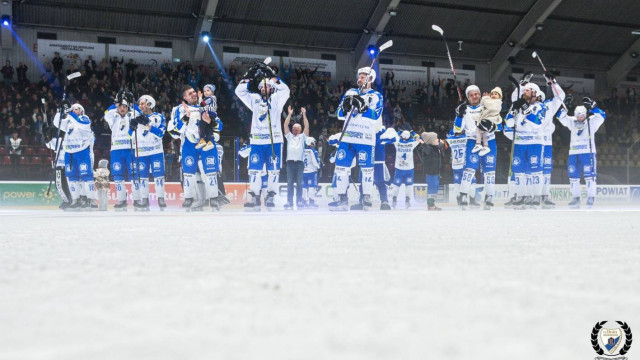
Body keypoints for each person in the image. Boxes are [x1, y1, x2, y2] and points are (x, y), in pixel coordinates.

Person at [235, 62, 290, 211]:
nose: (265, 89)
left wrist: (272, 76)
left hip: (274, 142)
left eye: (268, 87)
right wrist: (249, 77)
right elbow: (239, 91)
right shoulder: (254, 99)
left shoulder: (278, 99)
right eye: (262, 87)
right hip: (257, 142)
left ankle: (271, 195)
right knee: (254, 170)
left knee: (273, 171)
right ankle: (254, 196)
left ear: (272, 88)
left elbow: (286, 90)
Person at [505, 74, 564, 209]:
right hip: (520, 143)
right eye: (524, 90)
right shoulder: (519, 104)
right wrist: (514, 110)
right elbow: (509, 122)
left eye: (527, 90)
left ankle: (536, 198)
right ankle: (521, 197)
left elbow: (537, 122)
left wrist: (552, 82)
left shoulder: (542, 107)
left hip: (535, 143)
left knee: (535, 171)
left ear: (535, 93)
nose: (524, 91)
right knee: (519, 171)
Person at [329, 66, 383, 211]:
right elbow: (339, 113)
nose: (360, 79)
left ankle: (366, 198)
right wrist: (346, 107)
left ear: (370, 79)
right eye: (359, 76)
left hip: (365, 139)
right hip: (348, 137)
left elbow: (376, 116)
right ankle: (341, 198)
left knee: (367, 171)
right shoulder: (350, 92)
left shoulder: (376, 96)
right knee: (341, 169)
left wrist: (363, 107)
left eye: (363, 76)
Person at [170, 85, 222, 211]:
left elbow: (219, 125)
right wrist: (186, 117)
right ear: (184, 97)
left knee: (210, 172)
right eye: (190, 93)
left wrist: (211, 122)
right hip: (189, 144)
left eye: (194, 91)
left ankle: (214, 199)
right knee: (188, 173)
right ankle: (189, 198)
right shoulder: (179, 109)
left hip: (207, 142)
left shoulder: (205, 104)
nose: (194, 94)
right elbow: (175, 130)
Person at [453, 85, 496, 210]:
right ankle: (463, 195)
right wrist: (459, 115)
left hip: (489, 140)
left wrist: (492, 126)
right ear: (467, 97)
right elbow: (457, 130)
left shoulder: (488, 106)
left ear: (480, 94)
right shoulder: (463, 109)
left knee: (489, 172)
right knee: (470, 169)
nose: (474, 96)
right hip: (472, 141)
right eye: (471, 95)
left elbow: (498, 125)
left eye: (476, 94)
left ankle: (489, 197)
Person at [557, 98, 605, 208]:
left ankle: (591, 197)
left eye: (582, 115)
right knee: (573, 177)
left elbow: (602, 116)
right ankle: (576, 199)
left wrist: (594, 107)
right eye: (578, 116)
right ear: (575, 115)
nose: (580, 118)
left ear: (585, 114)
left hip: (588, 153)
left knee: (589, 177)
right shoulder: (572, 121)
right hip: (573, 153)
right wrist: (565, 107)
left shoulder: (591, 121)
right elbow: (560, 117)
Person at [53, 102, 97, 210]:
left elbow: (79, 123)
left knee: (86, 176)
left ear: (81, 111)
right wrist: (60, 111)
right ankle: (75, 200)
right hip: (70, 153)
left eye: (76, 109)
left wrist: (69, 113)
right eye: (72, 109)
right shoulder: (68, 121)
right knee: (72, 178)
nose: (73, 111)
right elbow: (56, 123)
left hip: (82, 151)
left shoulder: (84, 119)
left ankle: (90, 199)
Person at [103, 90, 139, 211]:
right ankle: (121, 200)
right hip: (116, 150)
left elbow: (139, 112)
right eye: (120, 106)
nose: (122, 108)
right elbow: (105, 113)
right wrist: (116, 102)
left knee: (134, 175)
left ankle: (137, 199)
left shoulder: (133, 115)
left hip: (131, 149)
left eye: (125, 106)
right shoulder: (113, 117)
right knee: (118, 176)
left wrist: (132, 103)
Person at [131, 95, 167, 211]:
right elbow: (130, 135)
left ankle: (161, 199)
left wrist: (149, 126)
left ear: (149, 104)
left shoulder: (159, 117)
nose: (140, 106)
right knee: (143, 178)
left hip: (156, 151)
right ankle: (144, 200)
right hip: (141, 152)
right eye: (139, 104)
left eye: (142, 104)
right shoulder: (135, 117)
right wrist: (132, 127)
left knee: (159, 177)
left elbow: (161, 133)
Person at [283, 105, 309, 209]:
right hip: (289, 163)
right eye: (293, 128)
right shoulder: (289, 137)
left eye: (297, 128)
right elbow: (285, 125)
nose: (294, 129)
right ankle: (289, 202)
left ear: (300, 129)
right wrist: (289, 114)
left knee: (299, 183)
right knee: (289, 183)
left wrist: (304, 114)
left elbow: (307, 127)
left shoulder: (302, 137)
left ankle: (299, 201)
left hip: (299, 163)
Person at [390, 130, 421, 209]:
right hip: (409, 169)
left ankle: (394, 199)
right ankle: (407, 200)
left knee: (396, 185)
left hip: (399, 169)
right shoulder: (411, 143)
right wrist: (413, 132)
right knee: (409, 185)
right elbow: (419, 138)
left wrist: (399, 132)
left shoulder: (397, 142)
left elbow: (394, 137)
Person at [45, 127, 71, 209]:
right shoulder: (58, 140)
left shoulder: (71, 139)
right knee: (59, 184)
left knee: (69, 184)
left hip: (69, 165)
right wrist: (46, 136)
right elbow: (49, 143)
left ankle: (71, 200)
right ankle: (66, 200)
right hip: (59, 164)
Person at [472, 87, 502, 156]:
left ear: (499, 97)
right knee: (485, 134)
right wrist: (484, 98)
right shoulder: (490, 101)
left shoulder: (497, 102)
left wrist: (486, 98)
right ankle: (486, 146)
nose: (493, 95)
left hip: (490, 121)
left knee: (478, 130)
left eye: (496, 94)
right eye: (492, 94)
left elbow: (490, 106)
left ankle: (478, 144)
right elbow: (483, 104)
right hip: (488, 122)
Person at [419, 132, 444, 211]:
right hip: (431, 173)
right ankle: (430, 205)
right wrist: (423, 143)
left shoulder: (435, 148)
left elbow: (440, 149)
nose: (438, 140)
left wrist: (441, 145)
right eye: (436, 138)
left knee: (434, 189)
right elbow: (427, 148)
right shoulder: (428, 149)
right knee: (431, 189)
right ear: (431, 141)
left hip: (436, 172)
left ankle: (432, 204)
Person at [196, 84, 217, 151]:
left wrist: (200, 97)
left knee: (201, 125)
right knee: (208, 128)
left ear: (212, 92)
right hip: (211, 114)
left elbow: (202, 104)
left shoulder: (211, 98)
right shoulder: (209, 98)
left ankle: (202, 139)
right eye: (204, 91)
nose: (206, 92)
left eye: (208, 90)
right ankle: (209, 141)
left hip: (208, 113)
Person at [302, 137, 320, 208]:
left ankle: (303, 201)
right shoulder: (313, 151)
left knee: (304, 187)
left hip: (303, 171)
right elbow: (315, 161)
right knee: (312, 187)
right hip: (312, 172)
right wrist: (319, 166)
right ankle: (311, 202)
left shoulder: (302, 150)